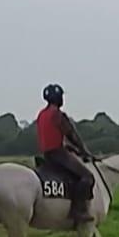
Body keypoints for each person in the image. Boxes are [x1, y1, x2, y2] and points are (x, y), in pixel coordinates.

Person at [35, 84, 95, 225]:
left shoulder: (41, 115)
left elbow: (51, 136)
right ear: (58, 98)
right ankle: (78, 210)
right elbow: (72, 135)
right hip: (59, 154)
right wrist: (85, 151)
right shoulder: (58, 115)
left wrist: (70, 148)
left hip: (47, 155)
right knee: (87, 177)